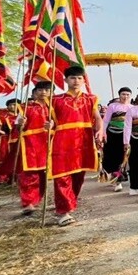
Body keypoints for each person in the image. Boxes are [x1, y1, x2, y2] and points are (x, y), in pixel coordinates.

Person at [47, 66, 102, 226]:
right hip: (62, 142)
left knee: (78, 176)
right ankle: (63, 211)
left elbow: (97, 117)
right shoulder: (55, 100)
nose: (76, 81)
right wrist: (48, 125)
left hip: (83, 142)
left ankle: (69, 202)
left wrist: (100, 131)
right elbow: (50, 122)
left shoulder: (91, 98)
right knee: (62, 175)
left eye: (79, 78)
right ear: (65, 80)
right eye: (72, 78)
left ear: (83, 80)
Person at [14, 81, 52, 215]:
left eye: (47, 90)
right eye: (40, 90)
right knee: (30, 173)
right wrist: (20, 123)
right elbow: (17, 127)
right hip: (30, 143)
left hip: (48, 142)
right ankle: (28, 202)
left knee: (43, 173)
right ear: (34, 93)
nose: (43, 93)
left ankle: (37, 198)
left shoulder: (54, 108)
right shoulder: (25, 108)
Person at [101, 87, 132, 191]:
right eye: (123, 94)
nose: (125, 96)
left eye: (128, 94)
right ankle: (113, 175)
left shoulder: (132, 108)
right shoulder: (113, 106)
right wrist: (103, 133)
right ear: (119, 95)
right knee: (111, 157)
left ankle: (118, 180)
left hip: (125, 135)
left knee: (121, 158)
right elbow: (105, 121)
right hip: (112, 134)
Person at [0, 99, 20, 185]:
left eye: (15, 105)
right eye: (11, 105)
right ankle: (1, 177)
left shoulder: (23, 115)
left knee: (17, 159)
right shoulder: (3, 116)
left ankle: (14, 177)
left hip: (18, 139)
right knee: (4, 158)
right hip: (6, 139)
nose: (13, 107)